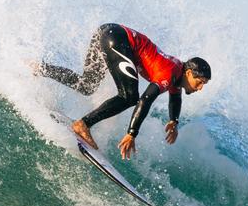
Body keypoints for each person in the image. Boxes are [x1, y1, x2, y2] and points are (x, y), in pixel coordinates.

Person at [31, 23, 211, 160]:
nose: (200, 87)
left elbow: (175, 97)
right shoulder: (169, 72)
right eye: (199, 82)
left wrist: (174, 120)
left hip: (108, 32)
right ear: (189, 73)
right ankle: (83, 124)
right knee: (129, 96)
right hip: (118, 39)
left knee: (87, 85)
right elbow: (145, 99)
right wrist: (132, 133)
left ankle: (40, 68)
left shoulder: (178, 75)